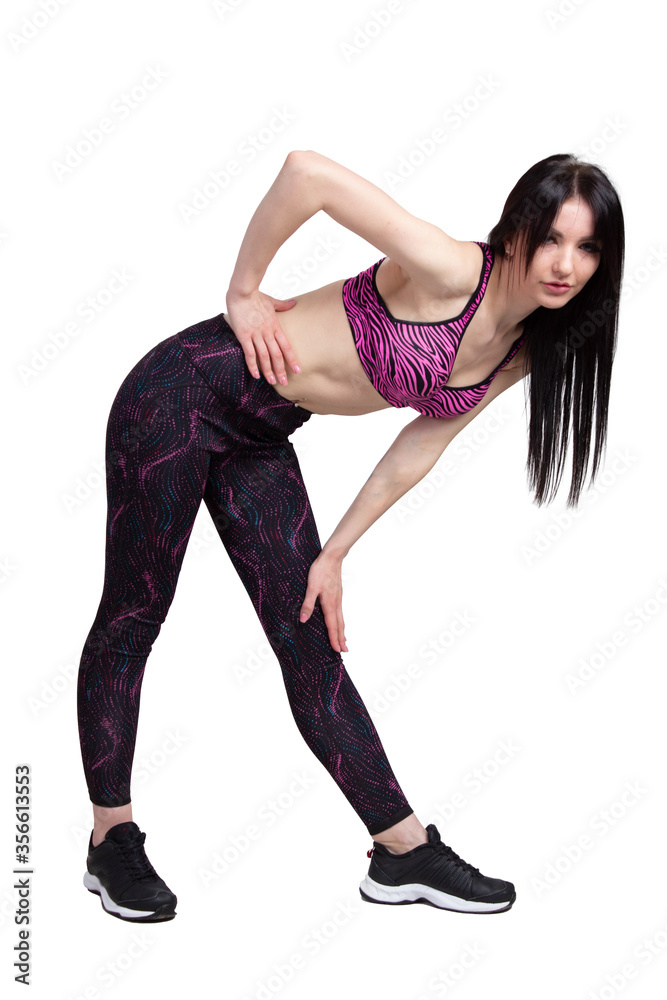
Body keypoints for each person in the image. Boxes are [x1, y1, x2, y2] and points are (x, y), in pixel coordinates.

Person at [77, 149, 624, 923]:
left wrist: (334, 552)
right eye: (551, 239)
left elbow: (424, 441)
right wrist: (243, 293)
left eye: (587, 247)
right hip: (178, 394)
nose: (565, 264)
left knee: (308, 637)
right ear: (516, 232)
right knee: (135, 615)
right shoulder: (449, 271)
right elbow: (307, 174)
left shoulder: (521, 347)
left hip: (259, 433)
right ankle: (111, 840)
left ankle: (402, 852)